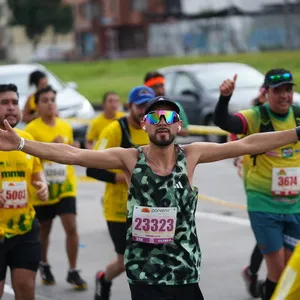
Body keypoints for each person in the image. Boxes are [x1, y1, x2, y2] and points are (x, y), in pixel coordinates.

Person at [0, 95, 300, 300]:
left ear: (178, 125)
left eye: (170, 116)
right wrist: (23, 144)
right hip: (144, 272)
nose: (163, 122)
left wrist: (296, 133)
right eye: (155, 117)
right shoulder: (130, 158)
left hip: (184, 270)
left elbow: (249, 144)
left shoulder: (193, 154)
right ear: (145, 125)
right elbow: (75, 154)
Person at [214, 69, 300, 300]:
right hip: (264, 204)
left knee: (289, 269)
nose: (284, 96)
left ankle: (259, 284)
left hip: (294, 205)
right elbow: (225, 122)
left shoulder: (298, 115)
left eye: (288, 90)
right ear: (266, 92)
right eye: (278, 91)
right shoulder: (256, 116)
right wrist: (224, 98)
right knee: (278, 270)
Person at [86, 86, 154, 300]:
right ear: (129, 107)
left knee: (148, 258)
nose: (144, 110)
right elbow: (92, 167)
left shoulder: (153, 128)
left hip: (148, 208)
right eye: (140, 106)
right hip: (118, 209)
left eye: (148, 106)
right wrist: (123, 176)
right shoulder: (115, 130)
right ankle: (104, 278)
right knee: (126, 260)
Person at [24, 85, 87, 290]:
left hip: (66, 185)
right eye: (45, 100)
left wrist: (73, 149)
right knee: (44, 230)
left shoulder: (65, 125)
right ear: (38, 106)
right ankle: (44, 263)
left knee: (71, 226)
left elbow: (69, 152)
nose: (50, 103)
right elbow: (29, 161)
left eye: (53, 99)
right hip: (43, 187)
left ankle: (73, 269)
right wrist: (50, 147)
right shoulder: (31, 129)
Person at [0, 84, 48, 299]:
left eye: (15, 102)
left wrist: (42, 184)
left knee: (27, 289)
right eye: (4, 103)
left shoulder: (25, 139)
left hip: (25, 227)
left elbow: (37, 171)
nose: (11, 108)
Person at [230, 84, 267, 298]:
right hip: (257, 181)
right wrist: (238, 161)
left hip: (286, 183)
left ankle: (254, 273)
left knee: (279, 234)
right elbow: (233, 141)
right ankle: (254, 273)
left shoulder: (289, 116)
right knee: (268, 232)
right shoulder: (252, 118)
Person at [144, 71, 189, 136]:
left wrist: (168, 127)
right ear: (147, 88)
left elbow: (185, 131)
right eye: (154, 87)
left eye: (161, 85)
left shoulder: (175, 106)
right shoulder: (142, 108)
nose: (160, 91)